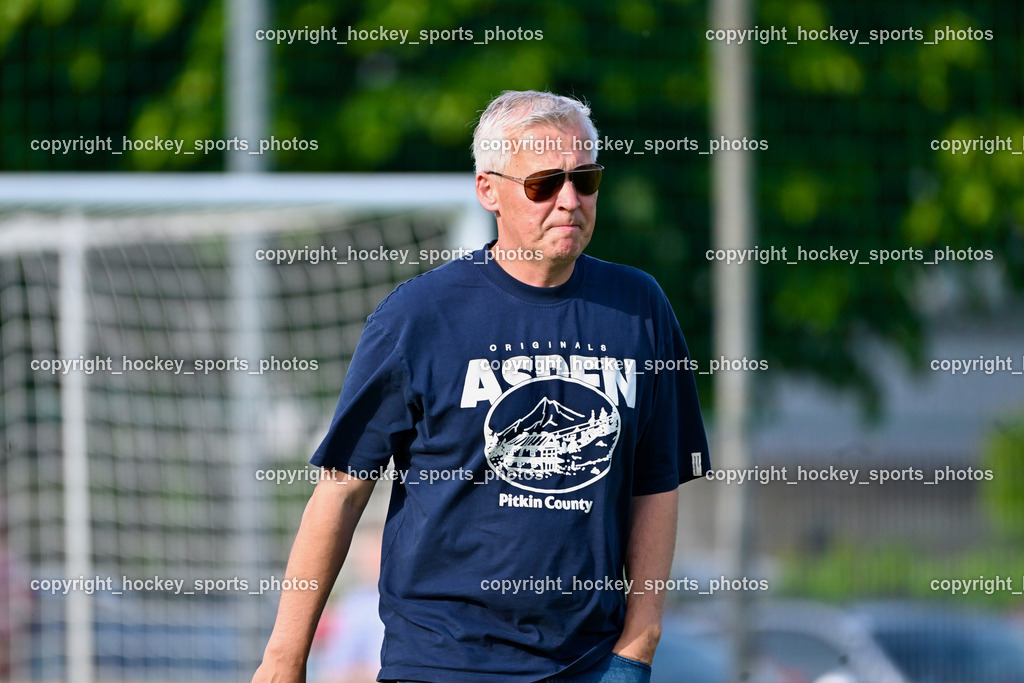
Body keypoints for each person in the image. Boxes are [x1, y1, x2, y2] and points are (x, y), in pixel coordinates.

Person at [253, 90, 709, 683]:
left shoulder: (640, 307)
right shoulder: (418, 315)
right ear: (488, 190)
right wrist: (284, 658)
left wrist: (639, 643)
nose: (569, 201)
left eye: (586, 179)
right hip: (442, 660)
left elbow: (657, 480)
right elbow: (341, 490)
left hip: (590, 664)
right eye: (544, 183)